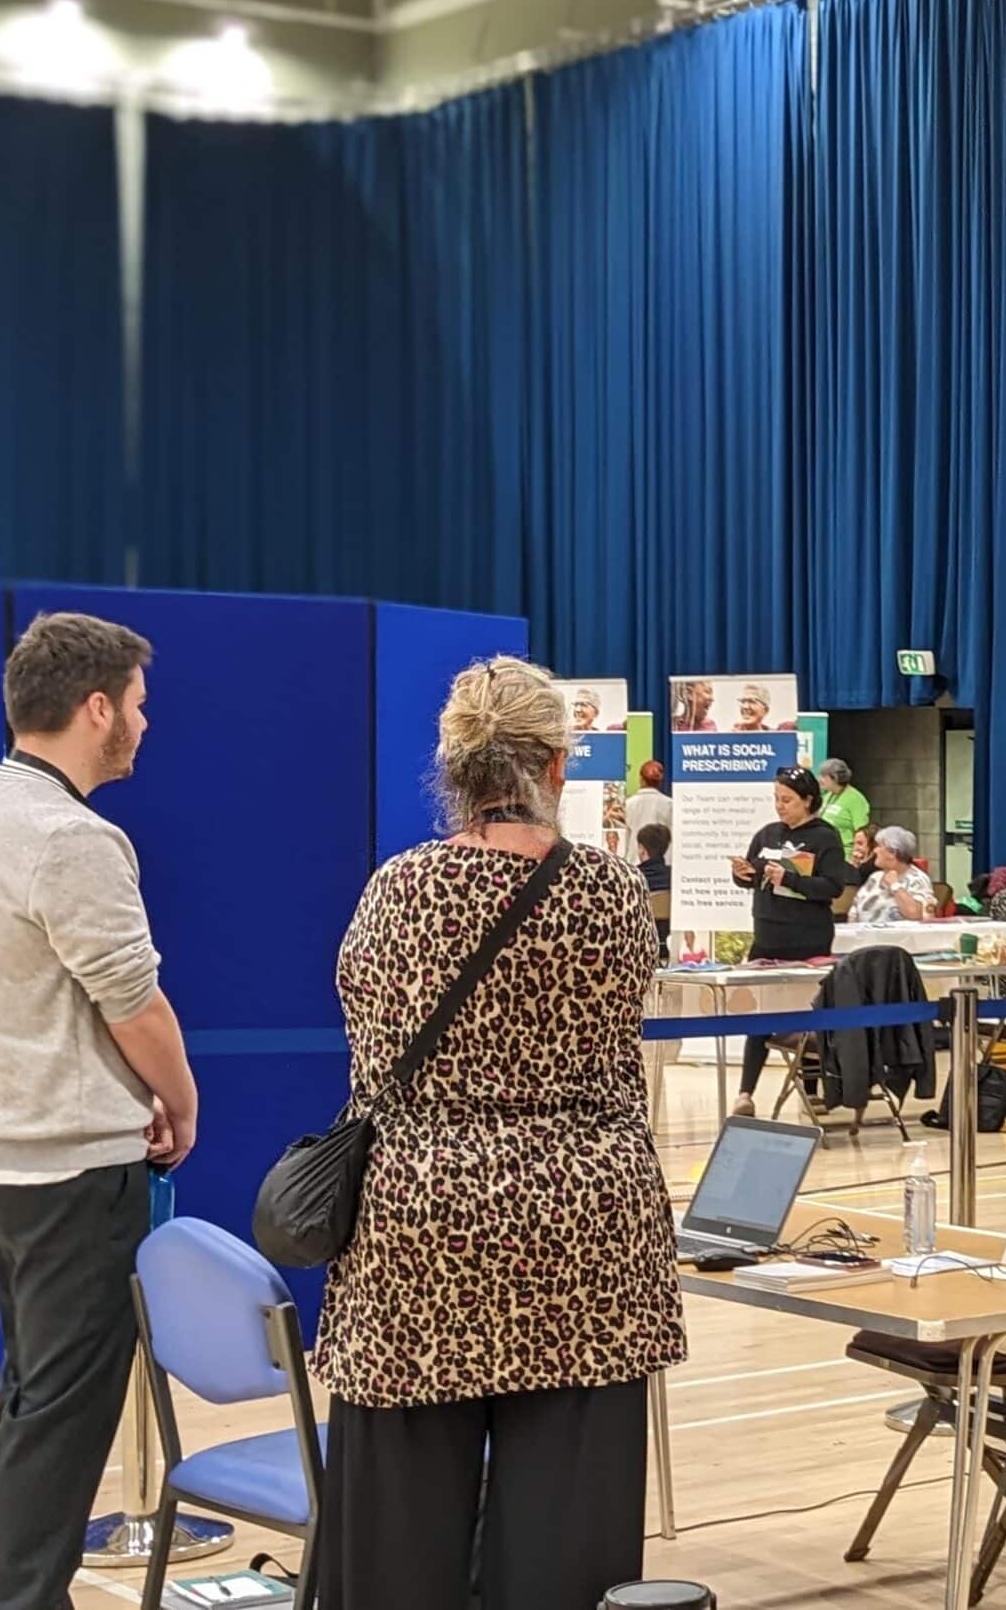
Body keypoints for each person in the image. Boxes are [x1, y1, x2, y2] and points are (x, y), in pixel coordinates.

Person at [315, 657, 684, 1606]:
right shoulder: (605, 895)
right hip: (586, 1236)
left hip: (419, 1233)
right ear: (557, 767)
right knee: (569, 1547)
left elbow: (370, 1056)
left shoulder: (398, 889)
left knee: (397, 1546)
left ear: (453, 769)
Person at [0, 613, 197, 1610]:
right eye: (134, 703)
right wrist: (181, 1101)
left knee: (31, 1408)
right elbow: (135, 1003)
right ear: (95, 709)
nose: (143, 719)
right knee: (60, 1423)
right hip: (70, 1173)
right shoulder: (69, 836)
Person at [728, 767, 853, 1116]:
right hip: (767, 934)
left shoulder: (825, 837)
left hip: (807, 937)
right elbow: (754, 877)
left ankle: (812, 1088)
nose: (780, 806)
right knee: (761, 1013)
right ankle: (746, 1093)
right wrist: (742, 874)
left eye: (787, 800)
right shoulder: (767, 834)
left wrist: (792, 879)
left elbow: (832, 887)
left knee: (808, 1013)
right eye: (776, 799)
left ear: (807, 800)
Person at [851, 826, 936, 926]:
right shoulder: (875, 877)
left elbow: (916, 914)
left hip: (899, 939)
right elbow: (854, 910)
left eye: (879, 846)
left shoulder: (918, 879)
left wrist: (895, 886)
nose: (875, 851)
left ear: (892, 852)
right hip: (865, 938)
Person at [635, 822, 673, 951]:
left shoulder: (632, 877)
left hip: (640, 946)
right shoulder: (673, 877)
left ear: (641, 848)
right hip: (668, 944)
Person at [817, 757, 872, 844]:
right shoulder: (827, 796)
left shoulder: (855, 799)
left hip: (845, 853)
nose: (819, 780)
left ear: (835, 778)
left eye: (823, 776)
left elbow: (862, 831)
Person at [623, 759, 672, 839]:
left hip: (634, 850)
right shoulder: (669, 804)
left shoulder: (627, 804)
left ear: (641, 779)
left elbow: (625, 837)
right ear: (660, 781)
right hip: (663, 851)